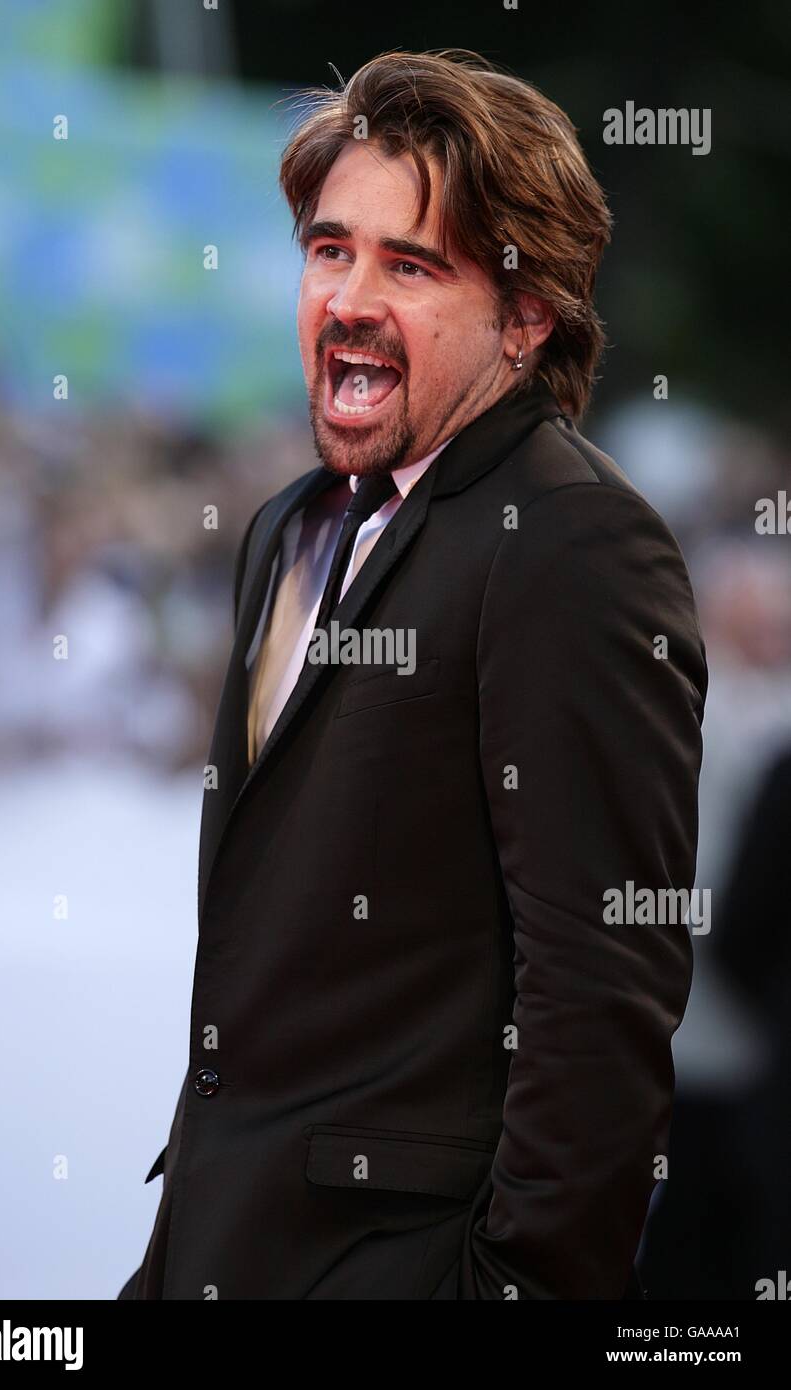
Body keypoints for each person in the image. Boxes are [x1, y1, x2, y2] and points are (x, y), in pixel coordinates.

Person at [119, 48, 706, 1301]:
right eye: (330, 250)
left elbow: (602, 988)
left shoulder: (570, 543)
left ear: (526, 312)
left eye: (412, 264)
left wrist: (512, 1288)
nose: (349, 297)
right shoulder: (288, 524)